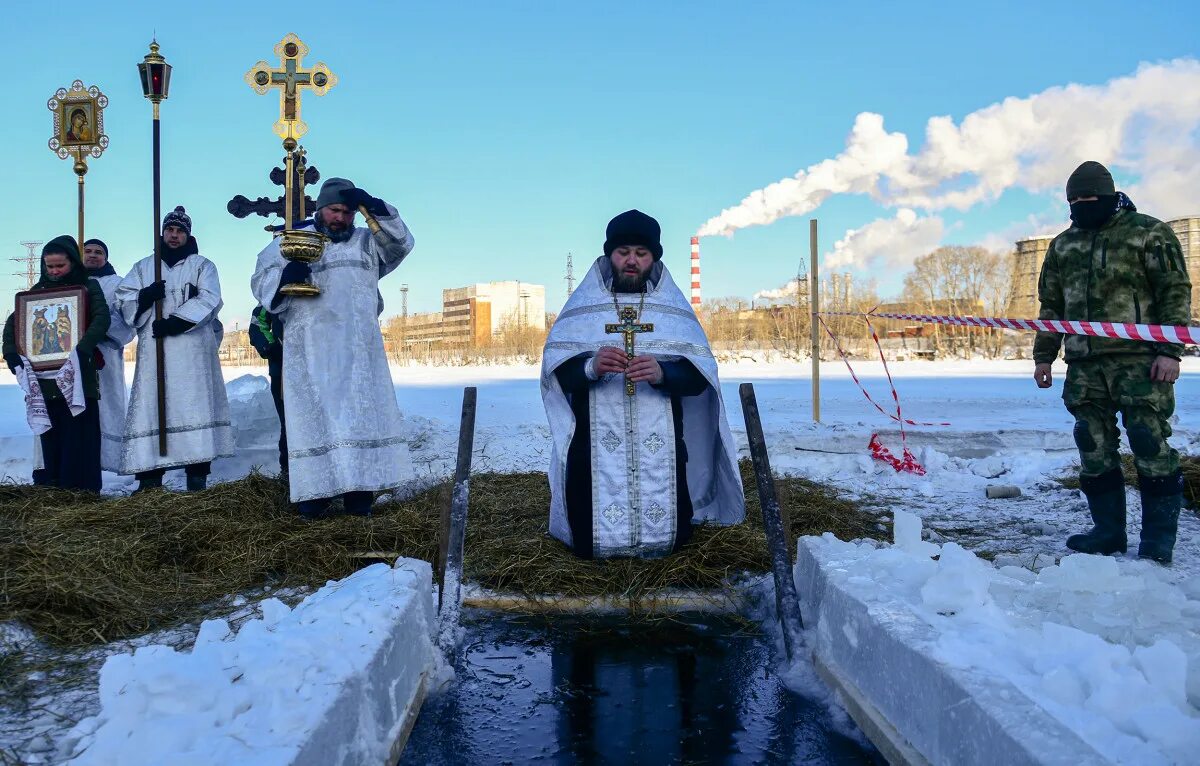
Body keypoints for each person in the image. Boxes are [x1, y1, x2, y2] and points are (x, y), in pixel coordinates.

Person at [541, 210, 744, 559]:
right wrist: (590, 366)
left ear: (654, 258)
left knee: (671, 536)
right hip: (592, 446)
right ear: (609, 255)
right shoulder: (584, 309)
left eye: (641, 252)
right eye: (623, 252)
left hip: (662, 445)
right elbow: (557, 374)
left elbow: (700, 379)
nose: (632, 260)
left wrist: (664, 373)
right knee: (589, 537)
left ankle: (663, 544)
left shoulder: (673, 312)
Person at [1034, 161, 1192, 564]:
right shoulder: (1063, 245)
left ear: (1109, 195)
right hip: (1085, 363)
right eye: (1074, 200)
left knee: (1149, 443)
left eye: (1089, 198)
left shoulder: (1149, 232)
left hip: (1141, 363)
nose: (1082, 205)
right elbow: (1051, 306)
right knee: (1092, 444)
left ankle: (1157, 544)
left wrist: (1170, 351)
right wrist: (1044, 356)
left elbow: (1174, 290)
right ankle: (1108, 533)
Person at [250, 178, 415, 517]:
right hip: (310, 354)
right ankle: (314, 500)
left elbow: (401, 244)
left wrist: (376, 205)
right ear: (320, 208)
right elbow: (260, 279)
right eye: (335, 210)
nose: (341, 218)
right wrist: (286, 278)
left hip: (359, 354)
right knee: (314, 422)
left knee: (359, 423)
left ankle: (359, 501)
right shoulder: (293, 241)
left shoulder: (367, 242)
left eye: (348, 212)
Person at [115, 206, 234, 492]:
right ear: (163, 232)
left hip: (192, 351)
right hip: (155, 353)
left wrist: (174, 323)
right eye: (170, 230)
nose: (174, 235)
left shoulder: (203, 266)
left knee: (194, 407)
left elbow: (210, 299)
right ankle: (150, 479)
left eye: (180, 231)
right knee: (153, 408)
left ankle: (197, 475)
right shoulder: (145, 267)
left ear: (187, 235)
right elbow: (124, 299)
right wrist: (144, 298)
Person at [3, 236, 109, 491]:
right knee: (52, 433)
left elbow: (101, 318)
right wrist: (11, 354)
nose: (54, 271)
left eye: (59, 266)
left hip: (78, 376)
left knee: (79, 433)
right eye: (49, 267)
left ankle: (82, 491)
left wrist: (82, 348)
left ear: (72, 262)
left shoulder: (88, 287)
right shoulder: (35, 294)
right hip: (45, 381)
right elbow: (13, 326)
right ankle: (54, 487)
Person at [83, 238, 136, 474]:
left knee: (102, 408)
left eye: (98, 252)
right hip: (68, 358)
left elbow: (127, 319)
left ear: (106, 257)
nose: (93, 255)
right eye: (87, 251)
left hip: (103, 354)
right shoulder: (69, 281)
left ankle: (100, 464)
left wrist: (96, 327)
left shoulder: (117, 284)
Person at [248, 304, 288, 479]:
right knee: (290, 425)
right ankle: (289, 476)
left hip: (326, 369)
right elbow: (258, 323)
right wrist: (271, 347)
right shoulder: (274, 286)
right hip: (283, 372)